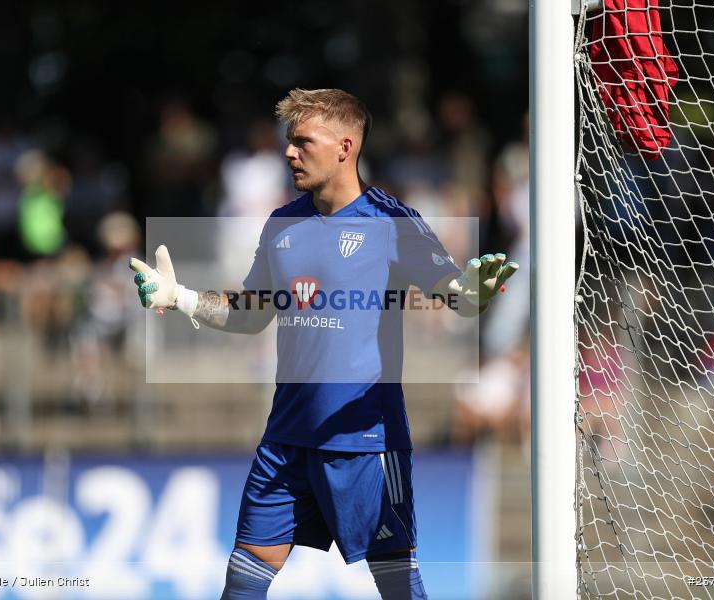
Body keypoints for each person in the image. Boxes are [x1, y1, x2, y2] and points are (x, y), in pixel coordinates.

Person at [130, 88, 518, 600]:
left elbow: (454, 294)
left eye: (302, 141)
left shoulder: (391, 222)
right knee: (243, 578)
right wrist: (180, 297)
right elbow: (253, 312)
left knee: (398, 584)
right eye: (289, 141)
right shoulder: (283, 222)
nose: (289, 152)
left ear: (344, 147)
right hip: (286, 438)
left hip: (364, 441)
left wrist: (472, 294)